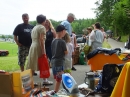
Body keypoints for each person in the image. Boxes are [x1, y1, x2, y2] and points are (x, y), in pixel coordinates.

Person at [26, 14, 53, 85]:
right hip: (38, 46)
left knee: (32, 64)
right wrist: (43, 50)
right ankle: (44, 80)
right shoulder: (42, 27)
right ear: (44, 21)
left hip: (33, 46)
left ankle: (29, 82)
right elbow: (41, 40)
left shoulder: (35, 27)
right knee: (43, 62)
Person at [51, 25, 68, 92]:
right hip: (60, 62)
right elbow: (66, 52)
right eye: (65, 31)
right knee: (59, 79)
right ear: (62, 31)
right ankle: (55, 92)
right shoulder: (62, 42)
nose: (65, 32)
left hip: (53, 62)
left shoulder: (53, 40)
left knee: (57, 78)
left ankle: (56, 91)